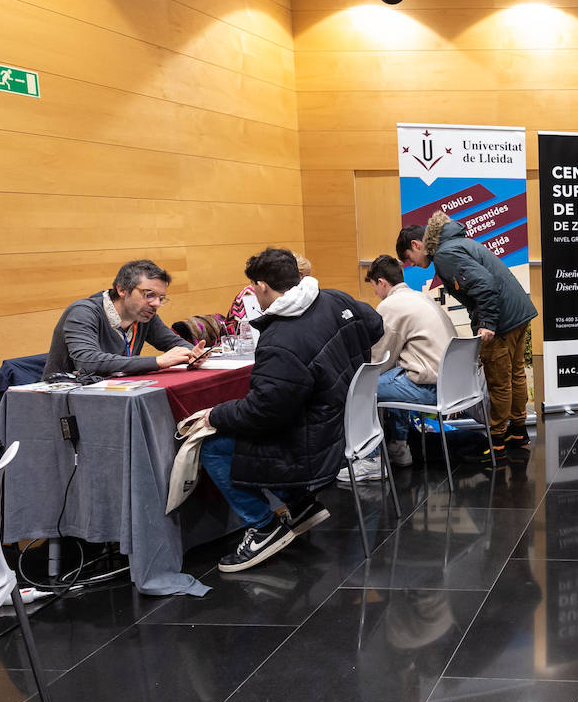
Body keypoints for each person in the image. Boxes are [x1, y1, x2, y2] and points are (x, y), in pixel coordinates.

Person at [199, 248, 384, 573]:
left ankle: (263, 527)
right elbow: (376, 325)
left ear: (262, 286)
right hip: (351, 425)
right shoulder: (336, 298)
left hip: (317, 445)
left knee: (213, 447)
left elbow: (262, 413)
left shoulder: (281, 339)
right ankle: (298, 505)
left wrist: (214, 414)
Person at [397, 214, 538, 467]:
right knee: (516, 374)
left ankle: (496, 445)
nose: (413, 265)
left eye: (409, 258)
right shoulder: (456, 243)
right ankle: (517, 431)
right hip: (518, 312)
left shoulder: (444, 254)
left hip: (501, 320)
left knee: (498, 382)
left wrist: (487, 324)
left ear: (417, 245)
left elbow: (484, 285)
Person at [338, 255, 457, 481]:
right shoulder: (419, 297)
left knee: (362, 388)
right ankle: (399, 448)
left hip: (432, 389)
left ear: (381, 282)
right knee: (393, 378)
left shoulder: (390, 305)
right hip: (452, 386)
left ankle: (370, 459)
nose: (375, 292)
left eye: (374, 286)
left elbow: (378, 360)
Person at [43, 259, 207, 378]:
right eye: (149, 295)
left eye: (161, 298)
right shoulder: (83, 312)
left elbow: (173, 343)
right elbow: (87, 362)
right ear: (122, 290)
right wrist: (157, 361)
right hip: (68, 400)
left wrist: (193, 353)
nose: (156, 303)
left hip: (116, 393)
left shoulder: (144, 315)